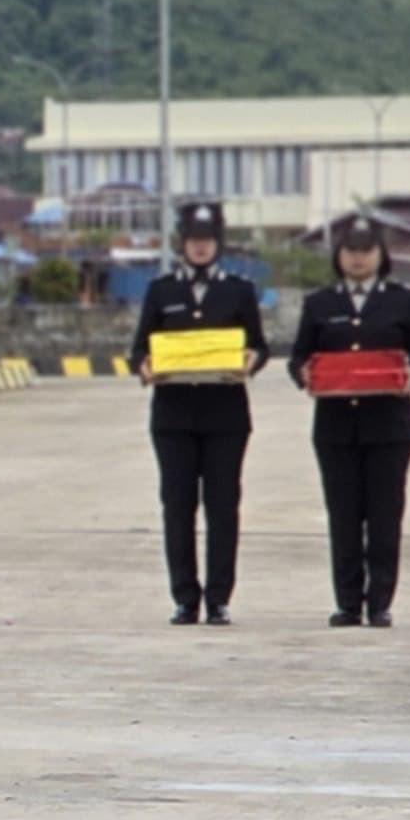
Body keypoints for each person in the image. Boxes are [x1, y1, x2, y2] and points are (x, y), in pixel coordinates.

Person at [288, 214, 410, 628]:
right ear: (339, 255)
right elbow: (299, 356)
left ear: (380, 255)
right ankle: (348, 603)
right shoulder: (320, 303)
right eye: (350, 251)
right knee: (343, 515)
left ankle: (381, 602)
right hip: (335, 426)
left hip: (388, 425)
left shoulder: (403, 300)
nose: (357, 259)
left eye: (365, 251)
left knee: (385, 514)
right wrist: (301, 374)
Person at [127, 200, 268, 626]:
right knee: (178, 505)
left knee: (223, 506)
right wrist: (143, 366)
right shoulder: (162, 290)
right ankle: (185, 598)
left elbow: (260, 345)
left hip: (225, 413)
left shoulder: (239, 290)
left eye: (207, 241)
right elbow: (139, 348)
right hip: (174, 416)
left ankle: (220, 598)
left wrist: (250, 362)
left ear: (218, 244)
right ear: (182, 243)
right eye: (194, 240)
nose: (201, 248)